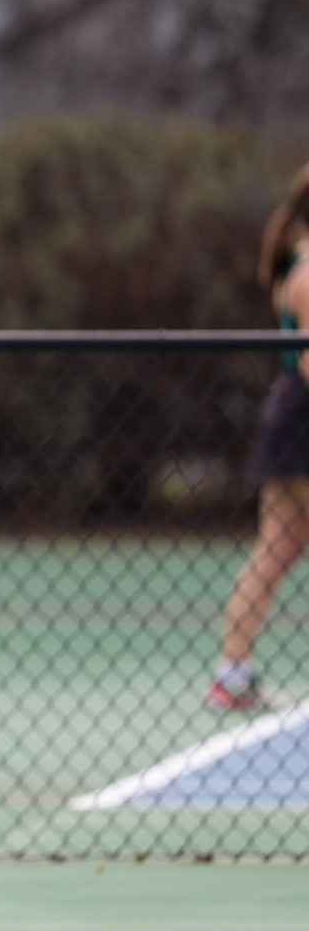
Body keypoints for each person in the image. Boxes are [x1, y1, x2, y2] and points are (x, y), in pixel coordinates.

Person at [209, 164, 309, 712]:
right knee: (275, 548)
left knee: (279, 546)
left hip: (291, 417)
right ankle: (230, 676)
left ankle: (232, 675)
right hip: (302, 421)